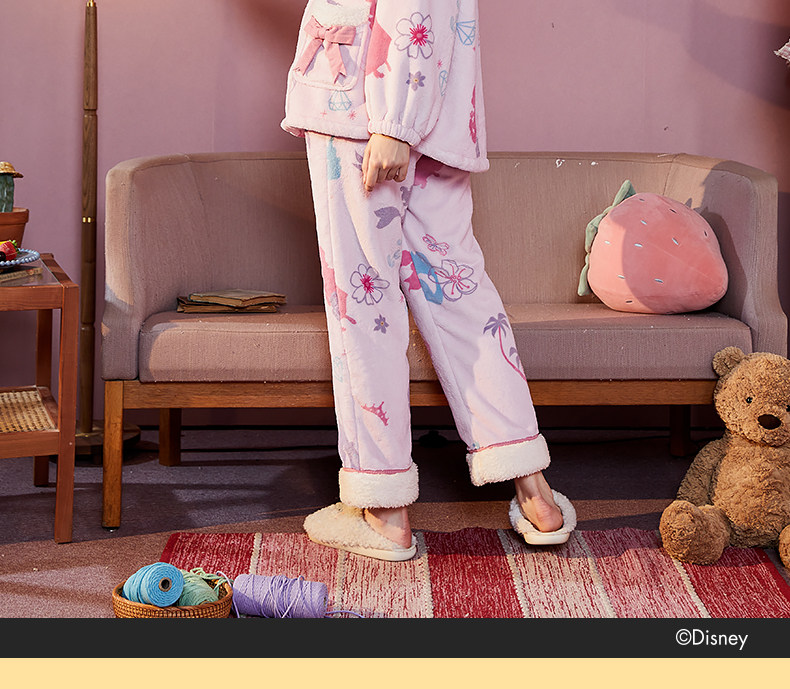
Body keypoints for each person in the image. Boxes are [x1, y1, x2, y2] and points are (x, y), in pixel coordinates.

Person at [281, 0, 575, 561]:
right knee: (461, 298)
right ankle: (535, 493)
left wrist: (395, 124)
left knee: (363, 309)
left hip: (364, 112)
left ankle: (384, 510)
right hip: (434, 112)